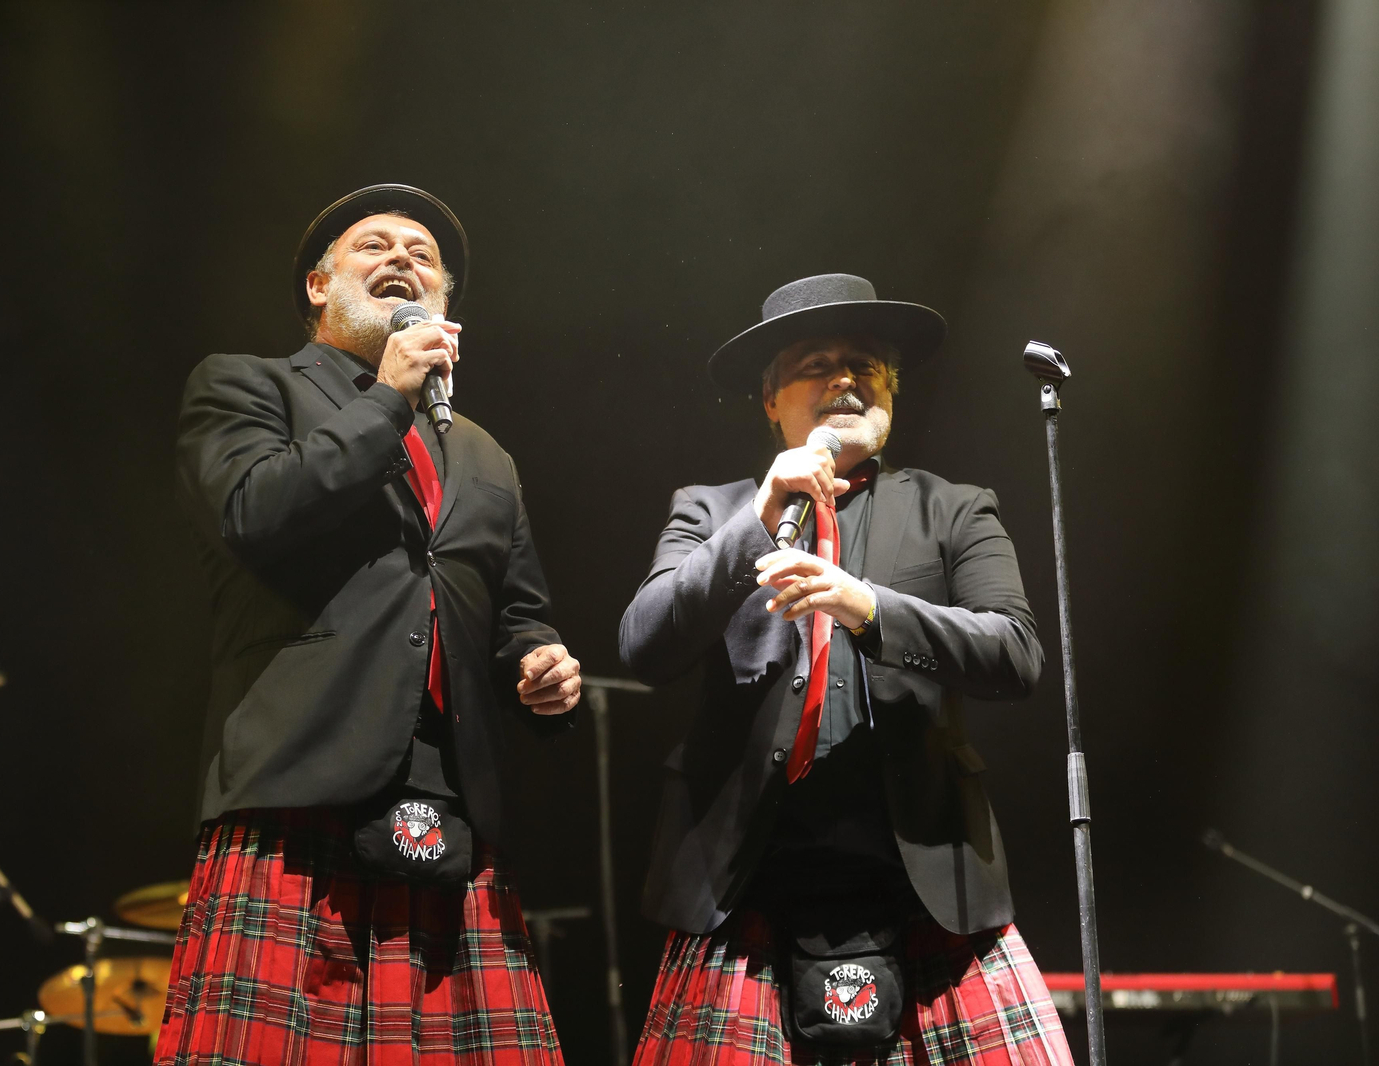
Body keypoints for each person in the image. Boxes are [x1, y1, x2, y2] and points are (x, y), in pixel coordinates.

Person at [157, 184, 581, 1065]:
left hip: (452, 805)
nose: (403, 260)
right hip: (300, 780)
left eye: (423, 256)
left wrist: (540, 664)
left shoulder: (485, 453)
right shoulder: (245, 385)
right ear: (318, 285)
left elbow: (518, 611)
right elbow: (252, 513)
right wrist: (387, 399)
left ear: (447, 304)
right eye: (374, 245)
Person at [621, 274, 1073, 1064]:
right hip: (743, 887)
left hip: (926, 880)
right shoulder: (708, 508)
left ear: (890, 393)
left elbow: (1016, 651)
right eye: (817, 363)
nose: (844, 379)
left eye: (865, 364)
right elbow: (646, 645)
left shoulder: (954, 507)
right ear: (770, 400)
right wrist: (757, 522)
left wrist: (870, 607)